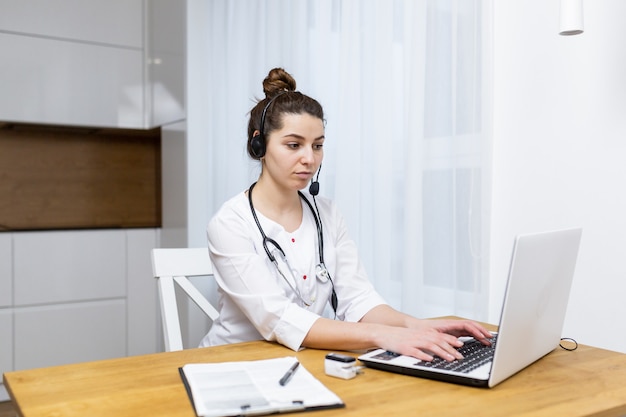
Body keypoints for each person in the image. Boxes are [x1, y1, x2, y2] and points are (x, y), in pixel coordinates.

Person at [200, 68, 492, 362]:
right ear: (259, 143)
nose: (309, 158)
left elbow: (358, 299)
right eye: (293, 144)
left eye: (317, 145)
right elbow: (279, 318)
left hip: (298, 363)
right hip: (232, 365)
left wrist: (419, 326)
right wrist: (382, 335)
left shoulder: (326, 214)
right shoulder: (230, 224)